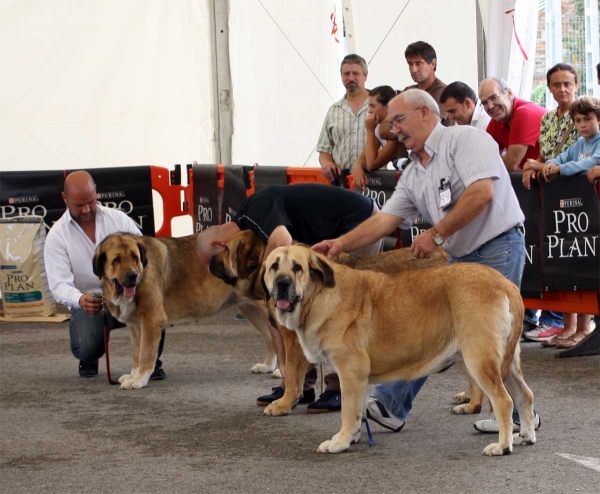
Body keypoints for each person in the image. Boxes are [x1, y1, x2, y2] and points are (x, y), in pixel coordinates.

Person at [312, 89, 541, 434]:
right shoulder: (414, 173)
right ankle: (389, 405)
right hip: (461, 258)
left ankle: (517, 413)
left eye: (399, 120)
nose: (394, 130)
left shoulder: (465, 139)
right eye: (390, 123)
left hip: (498, 246)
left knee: (486, 342)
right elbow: (384, 221)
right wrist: (339, 244)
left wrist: (435, 234)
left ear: (424, 112)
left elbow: (482, 193)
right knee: (425, 334)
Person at [197, 183, 383, 413]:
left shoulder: (253, 211)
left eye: (217, 260)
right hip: (333, 233)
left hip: (361, 224)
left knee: (342, 316)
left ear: (219, 244)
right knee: (298, 311)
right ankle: (299, 387)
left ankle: (338, 389)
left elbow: (282, 240)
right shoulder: (249, 221)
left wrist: (263, 281)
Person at [44, 171, 166, 379]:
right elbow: (59, 285)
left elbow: (146, 256)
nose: (86, 210)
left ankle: (150, 362)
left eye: (91, 202)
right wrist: (79, 299)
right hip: (93, 303)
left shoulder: (119, 219)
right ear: (65, 199)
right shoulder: (56, 236)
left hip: (131, 294)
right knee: (86, 346)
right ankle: (89, 356)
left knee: (154, 308)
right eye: (78, 205)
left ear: (97, 193)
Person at [520, 63, 582, 342]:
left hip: (579, 191)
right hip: (553, 192)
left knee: (582, 255)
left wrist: (544, 164)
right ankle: (567, 325)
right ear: (549, 88)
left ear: (577, 85)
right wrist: (535, 166)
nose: (562, 89)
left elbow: (584, 153)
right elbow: (546, 155)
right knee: (561, 257)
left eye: (567, 83)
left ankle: (584, 327)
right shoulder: (546, 118)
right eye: (556, 84)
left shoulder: (587, 112)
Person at [539, 96, 600, 348]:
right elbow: (560, 158)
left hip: (592, 219)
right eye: (578, 120)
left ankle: (585, 328)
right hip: (573, 220)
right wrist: (551, 164)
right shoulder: (578, 143)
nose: (583, 124)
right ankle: (570, 326)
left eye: (588, 119)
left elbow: (592, 162)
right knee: (568, 267)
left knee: (586, 269)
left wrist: (561, 170)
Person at [317, 54, 370, 186]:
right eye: (346, 73)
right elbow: (324, 151)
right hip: (342, 184)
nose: (351, 78)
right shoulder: (334, 110)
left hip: (373, 183)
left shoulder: (379, 106)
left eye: (355, 73)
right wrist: (327, 164)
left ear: (365, 75)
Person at [479, 77, 547, 170]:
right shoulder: (498, 120)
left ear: (509, 93)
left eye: (494, 97)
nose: (490, 106)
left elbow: (511, 164)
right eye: (484, 103)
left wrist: (489, 163)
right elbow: (483, 158)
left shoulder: (524, 113)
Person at [352, 85, 400, 192]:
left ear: (388, 107)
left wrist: (370, 130)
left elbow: (372, 164)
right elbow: (364, 158)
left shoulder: (396, 128)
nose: (369, 111)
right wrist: (357, 166)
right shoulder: (378, 127)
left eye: (373, 106)